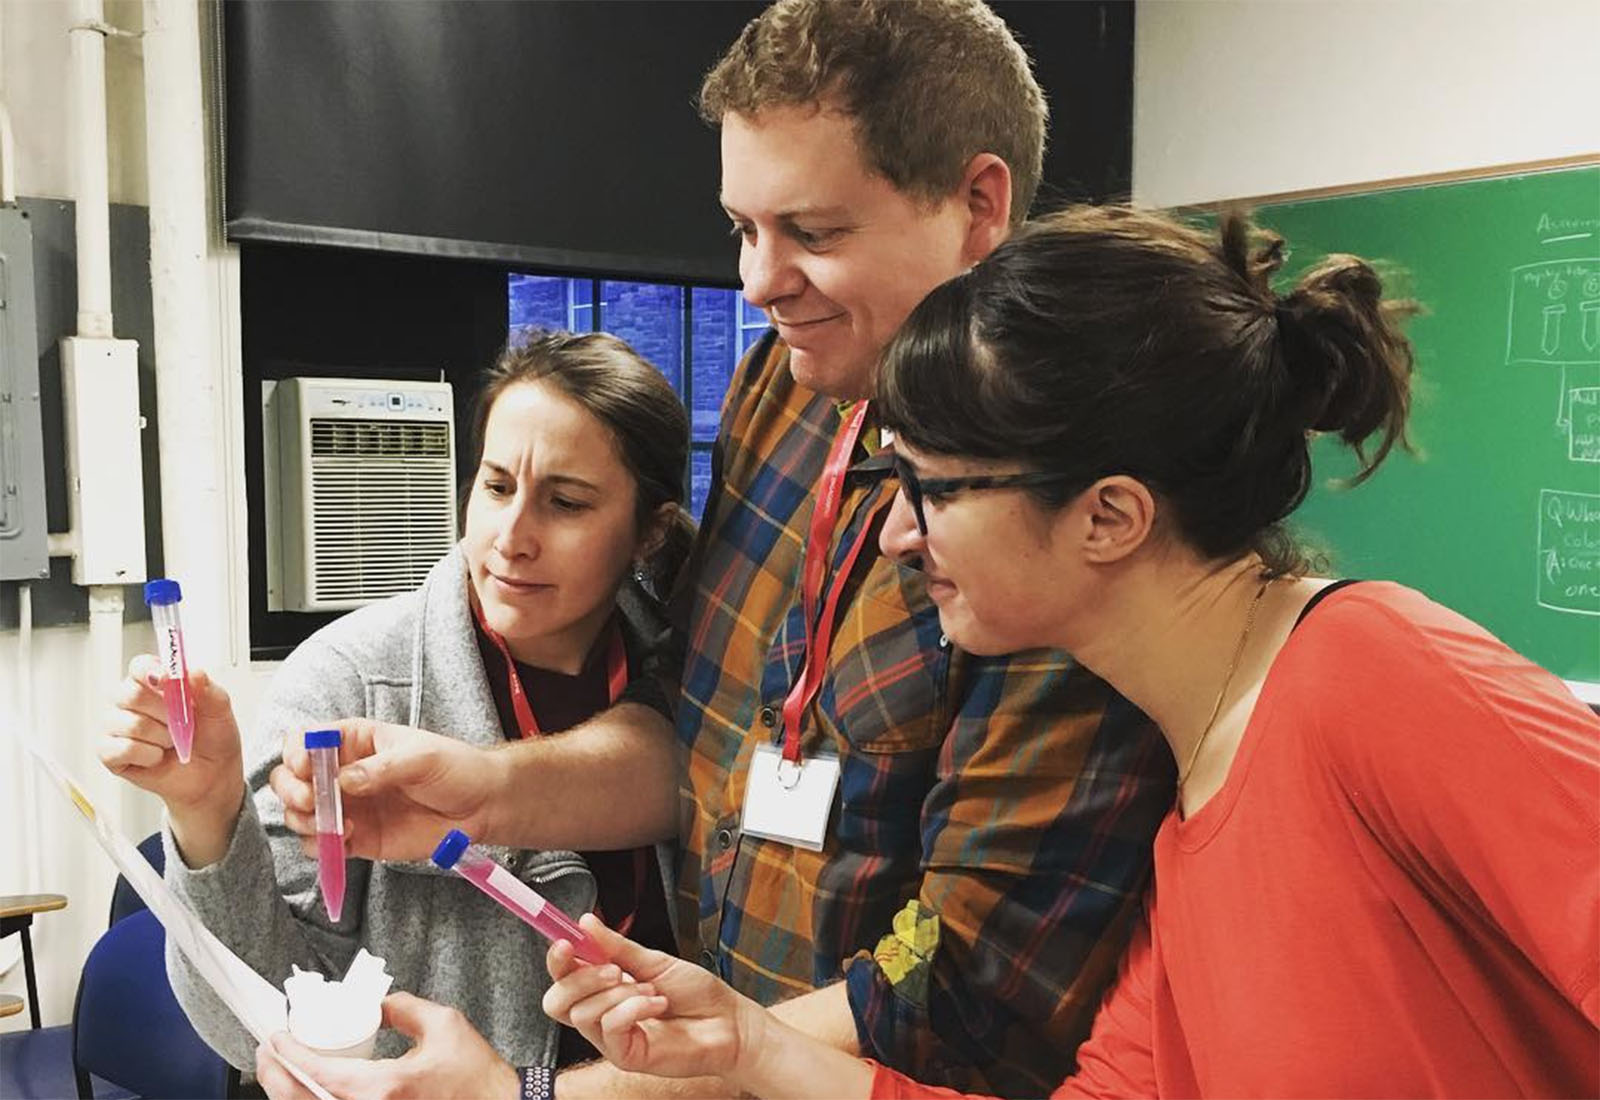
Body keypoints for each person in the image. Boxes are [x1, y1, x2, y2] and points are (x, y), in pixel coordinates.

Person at [254, 3, 1170, 1099]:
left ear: (977, 205)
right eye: (743, 227)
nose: (755, 280)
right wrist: (486, 791)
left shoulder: (1055, 515)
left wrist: (533, 1095)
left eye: (813, 233)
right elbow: (696, 734)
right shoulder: (785, 387)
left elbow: (958, 975)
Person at [539, 205, 1600, 1099]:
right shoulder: (1189, 779)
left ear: (1108, 517)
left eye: (935, 488)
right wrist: (745, 1041)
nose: (900, 534)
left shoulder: (1374, 678)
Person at [99, 330, 692, 1077]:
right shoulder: (350, 681)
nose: (511, 539)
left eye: (565, 503)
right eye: (497, 486)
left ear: (652, 531)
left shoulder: (696, 676)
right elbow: (262, 1021)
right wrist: (205, 810)